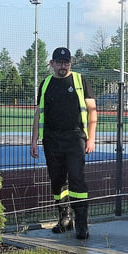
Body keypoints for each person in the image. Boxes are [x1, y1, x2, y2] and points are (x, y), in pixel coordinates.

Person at [29, 47, 98, 240]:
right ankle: (65, 218)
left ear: (70, 63)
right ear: (52, 64)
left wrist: (91, 137)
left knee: (77, 179)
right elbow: (39, 113)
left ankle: (82, 224)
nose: (62, 66)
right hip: (51, 140)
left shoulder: (80, 80)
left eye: (66, 62)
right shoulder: (46, 84)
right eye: (59, 62)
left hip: (75, 138)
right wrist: (34, 139)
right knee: (57, 180)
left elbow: (92, 110)